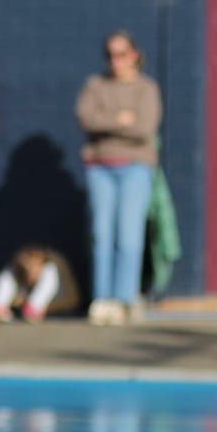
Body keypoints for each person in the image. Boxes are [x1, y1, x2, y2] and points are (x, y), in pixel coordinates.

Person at [76, 31, 162, 325]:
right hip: (99, 168)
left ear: (134, 55)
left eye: (122, 54)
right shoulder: (95, 85)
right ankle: (103, 299)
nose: (117, 61)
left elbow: (144, 128)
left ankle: (125, 299)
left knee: (129, 236)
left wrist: (106, 123)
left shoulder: (146, 89)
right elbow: (86, 118)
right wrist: (121, 120)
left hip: (135, 169)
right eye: (111, 55)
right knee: (102, 234)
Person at [0, 244, 82, 323]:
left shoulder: (52, 269)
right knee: (9, 270)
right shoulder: (17, 272)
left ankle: (34, 307)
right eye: (26, 274)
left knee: (50, 270)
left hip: (58, 311)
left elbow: (72, 301)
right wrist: (19, 302)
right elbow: (18, 300)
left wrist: (40, 307)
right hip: (26, 310)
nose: (30, 278)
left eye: (34, 273)